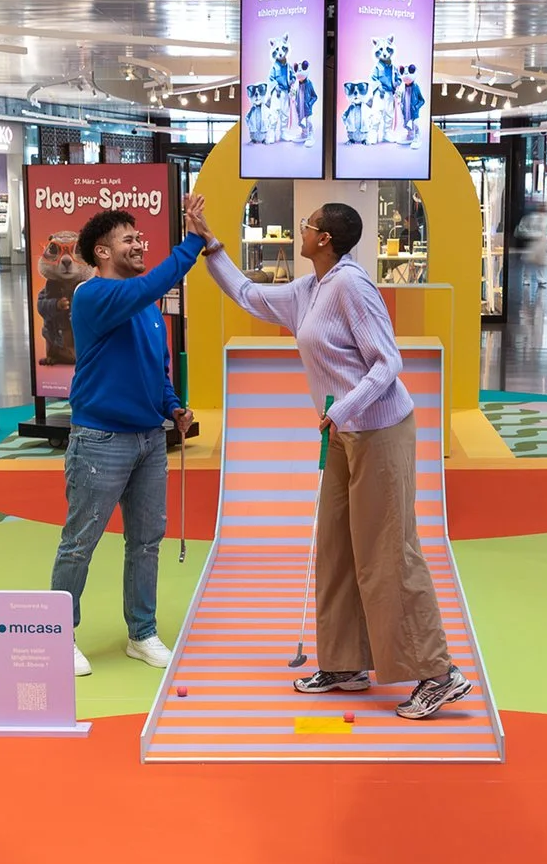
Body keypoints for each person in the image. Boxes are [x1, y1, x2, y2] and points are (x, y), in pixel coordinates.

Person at [189, 198, 471, 721]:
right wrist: (211, 246)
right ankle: (344, 664)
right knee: (336, 549)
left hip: (380, 430)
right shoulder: (311, 288)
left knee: (387, 553)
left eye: (307, 224)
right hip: (343, 433)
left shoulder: (351, 286)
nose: (300, 228)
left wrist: (342, 408)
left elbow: (388, 362)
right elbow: (249, 295)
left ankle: (438, 673)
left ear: (324, 239)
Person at [49, 196, 204, 675]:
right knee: (80, 542)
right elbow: (152, 283)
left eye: (140, 238)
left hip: (149, 440)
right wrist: (193, 242)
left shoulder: (144, 305)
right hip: (99, 440)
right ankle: (58, 636)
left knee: (146, 542)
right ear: (101, 251)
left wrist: (172, 406)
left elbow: (156, 366)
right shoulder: (93, 295)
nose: (139, 245)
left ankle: (142, 633)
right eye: (128, 240)